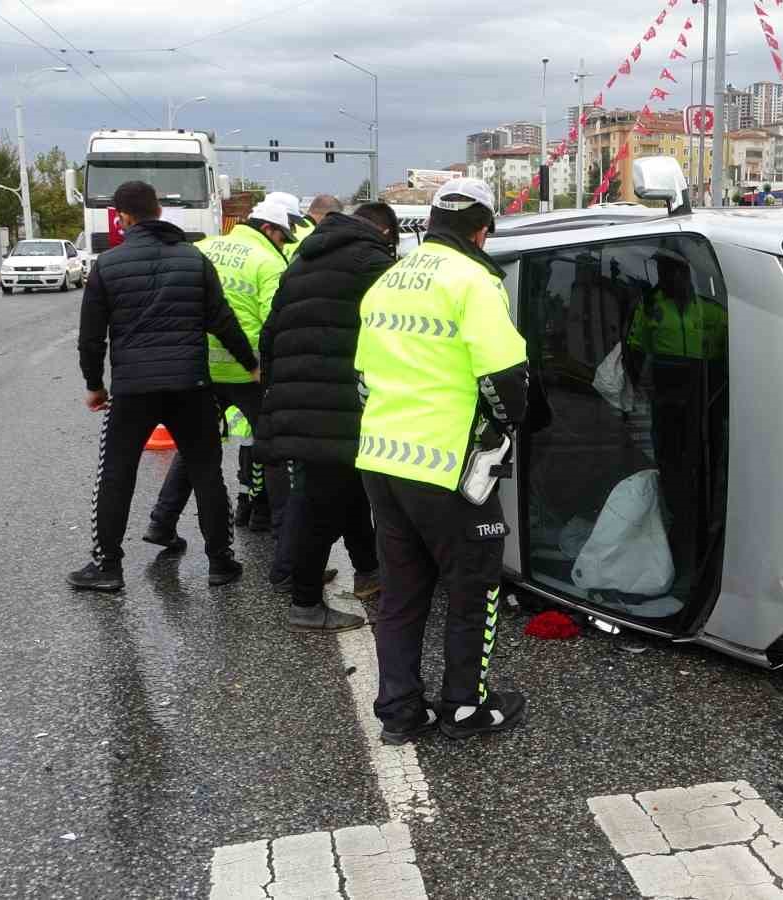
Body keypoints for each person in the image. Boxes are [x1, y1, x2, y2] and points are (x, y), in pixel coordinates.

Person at [354, 178, 530, 743]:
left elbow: (362, 381)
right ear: (482, 232)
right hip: (450, 465)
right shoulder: (473, 281)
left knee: (403, 591)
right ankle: (465, 707)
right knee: (474, 584)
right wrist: (505, 430)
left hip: (382, 458)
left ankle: (399, 711)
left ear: (429, 224)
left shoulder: (387, 281)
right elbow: (505, 378)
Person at [69, 180, 258, 591]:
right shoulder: (194, 259)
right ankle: (220, 563)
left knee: (116, 474)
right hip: (190, 385)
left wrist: (95, 385)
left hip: (133, 390)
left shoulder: (108, 265)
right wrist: (250, 363)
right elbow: (222, 319)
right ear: (159, 211)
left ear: (123, 217)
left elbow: (90, 337)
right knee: (207, 471)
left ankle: (107, 567)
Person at [259, 203, 400, 631]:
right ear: (383, 230)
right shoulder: (371, 263)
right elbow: (398, 330)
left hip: (298, 399)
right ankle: (305, 603)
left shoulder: (301, 261)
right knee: (322, 504)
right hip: (338, 405)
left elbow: (270, 334)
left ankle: (368, 572)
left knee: (345, 490)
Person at [140, 196, 296, 550]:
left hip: (198, 367)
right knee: (273, 450)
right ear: (269, 230)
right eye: (283, 236)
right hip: (249, 371)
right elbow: (277, 323)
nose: (285, 243)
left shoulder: (203, 248)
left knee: (194, 448)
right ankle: (287, 544)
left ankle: (161, 523)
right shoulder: (268, 261)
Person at [623, 250, 728, 590]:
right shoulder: (651, 307)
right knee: (669, 456)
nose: (666, 277)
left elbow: (730, 347)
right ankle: (675, 515)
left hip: (705, 385)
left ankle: (704, 512)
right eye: (662, 271)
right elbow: (636, 347)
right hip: (668, 387)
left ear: (686, 273)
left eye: (672, 270)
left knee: (706, 454)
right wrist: (635, 385)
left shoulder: (711, 309)